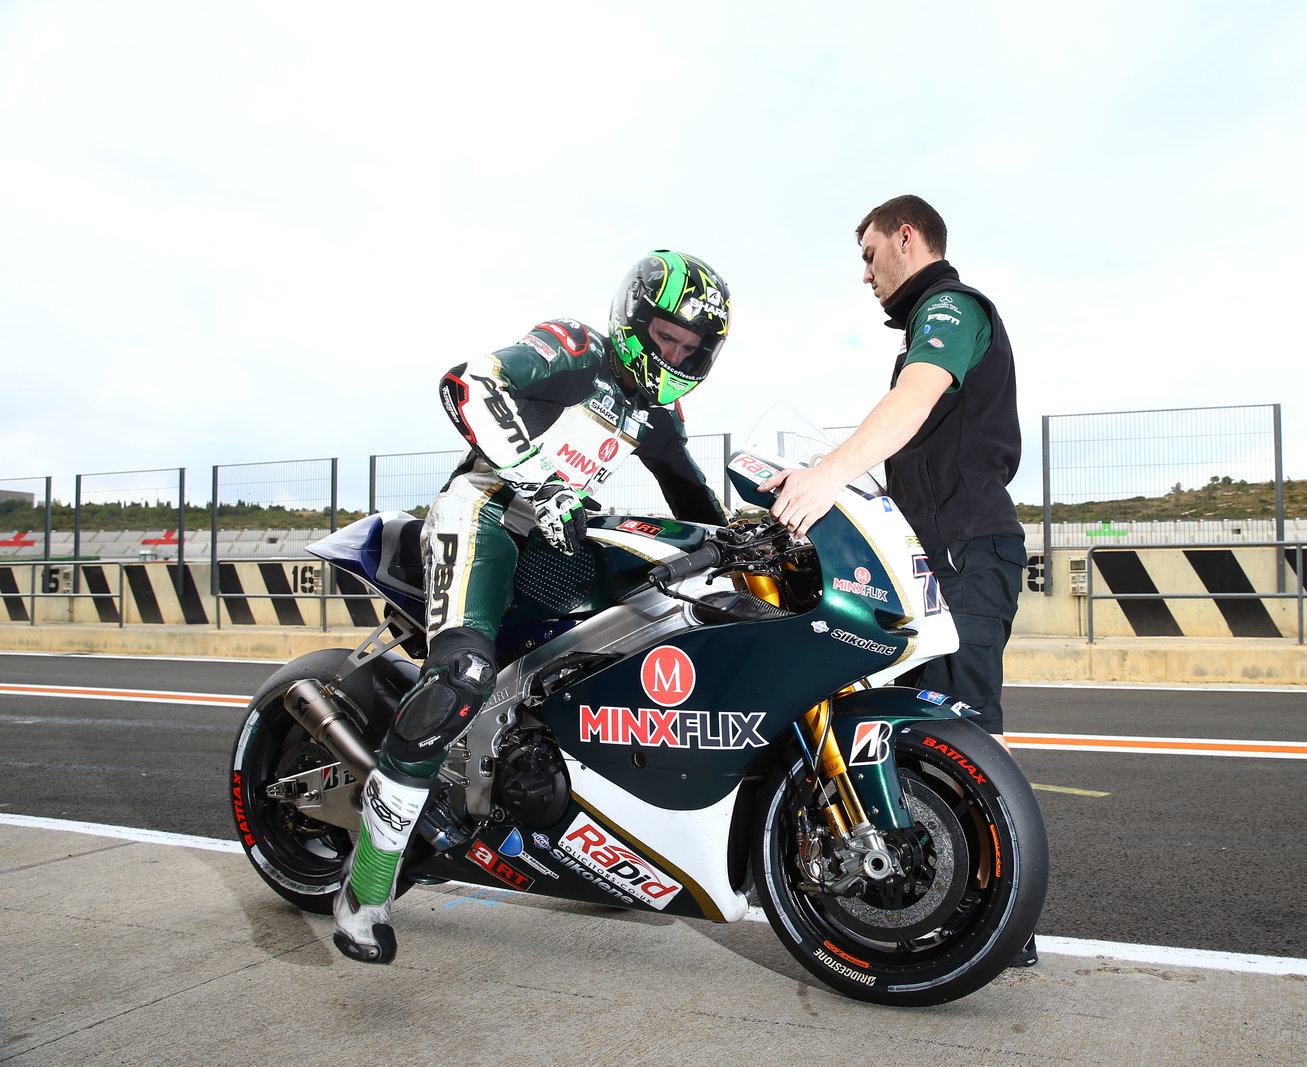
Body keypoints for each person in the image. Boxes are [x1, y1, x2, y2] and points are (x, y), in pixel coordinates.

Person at [334, 250, 732, 964]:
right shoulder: (578, 349)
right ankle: (366, 884)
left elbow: (691, 495)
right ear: (634, 318)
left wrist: (745, 543)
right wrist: (540, 480)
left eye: (689, 348)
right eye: (666, 336)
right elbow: (471, 383)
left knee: (648, 627)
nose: (674, 356)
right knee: (462, 675)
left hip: (561, 536)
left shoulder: (658, 413)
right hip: (487, 510)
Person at [758, 196, 1035, 966]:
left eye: (870, 254)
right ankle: (960, 919)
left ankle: (998, 929)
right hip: (936, 554)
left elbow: (912, 399)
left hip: (965, 553)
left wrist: (826, 475)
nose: (866, 274)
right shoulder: (927, 323)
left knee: (960, 736)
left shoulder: (952, 308)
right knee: (916, 735)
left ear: (906, 238)